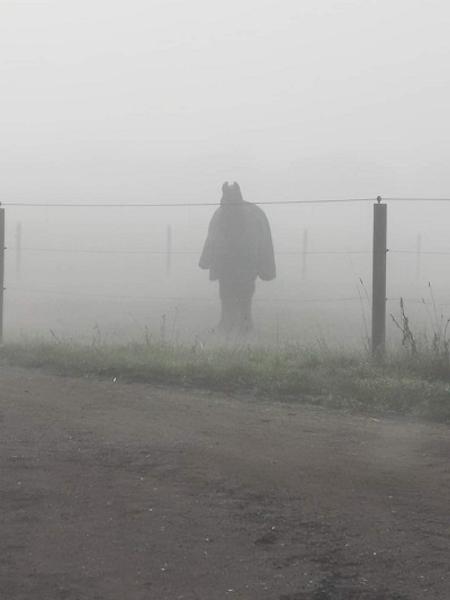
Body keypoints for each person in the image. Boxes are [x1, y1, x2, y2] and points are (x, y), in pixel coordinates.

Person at [199, 182, 276, 334]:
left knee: (244, 289)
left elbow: (262, 241)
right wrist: (208, 258)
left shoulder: (252, 217)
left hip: (244, 261)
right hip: (228, 261)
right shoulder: (220, 216)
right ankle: (228, 321)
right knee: (227, 289)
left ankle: (244, 322)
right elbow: (212, 237)